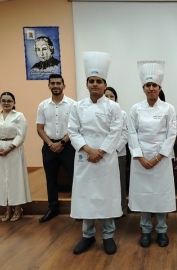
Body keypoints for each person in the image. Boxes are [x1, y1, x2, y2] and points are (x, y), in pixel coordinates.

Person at [68, 51, 123, 255]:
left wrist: (100, 151)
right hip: (84, 157)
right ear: (86, 84)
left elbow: (115, 131)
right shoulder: (77, 107)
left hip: (106, 158)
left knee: (106, 196)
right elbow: (73, 131)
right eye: (91, 81)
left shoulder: (114, 107)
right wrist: (89, 150)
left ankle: (108, 236)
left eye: (98, 81)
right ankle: (87, 236)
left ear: (104, 84)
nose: (94, 84)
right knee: (85, 196)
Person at [128, 60, 177, 248]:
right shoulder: (135, 109)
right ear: (143, 88)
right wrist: (140, 157)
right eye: (147, 85)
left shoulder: (168, 108)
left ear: (159, 87)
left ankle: (162, 230)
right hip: (140, 160)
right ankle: (146, 230)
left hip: (161, 159)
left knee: (161, 196)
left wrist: (157, 157)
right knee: (144, 196)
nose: (151, 88)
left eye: (154, 85)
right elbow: (132, 133)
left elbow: (171, 135)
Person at [36, 74, 76, 223]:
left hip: (68, 146)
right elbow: (40, 128)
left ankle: (77, 209)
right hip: (49, 146)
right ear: (49, 85)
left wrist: (62, 143)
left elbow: (75, 128)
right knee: (50, 179)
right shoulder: (43, 105)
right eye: (52, 83)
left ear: (63, 85)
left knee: (74, 177)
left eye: (58, 83)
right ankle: (52, 208)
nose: (55, 86)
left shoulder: (72, 104)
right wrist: (50, 144)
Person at [0, 92, 32, 221]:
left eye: (9, 100)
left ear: (14, 103)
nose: (6, 103)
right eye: (3, 100)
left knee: (15, 178)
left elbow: (21, 135)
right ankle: (7, 209)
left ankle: (18, 208)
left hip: (14, 150)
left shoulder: (19, 116)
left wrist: (9, 148)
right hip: (0, 150)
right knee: (2, 180)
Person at [104, 86, 129, 215]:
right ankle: (106, 210)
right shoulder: (98, 112)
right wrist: (105, 150)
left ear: (116, 98)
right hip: (101, 154)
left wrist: (113, 149)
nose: (109, 98)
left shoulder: (123, 114)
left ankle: (122, 209)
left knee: (120, 182)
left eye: (112, 96)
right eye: (106, 96)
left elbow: (125, 134)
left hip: (118, 153)